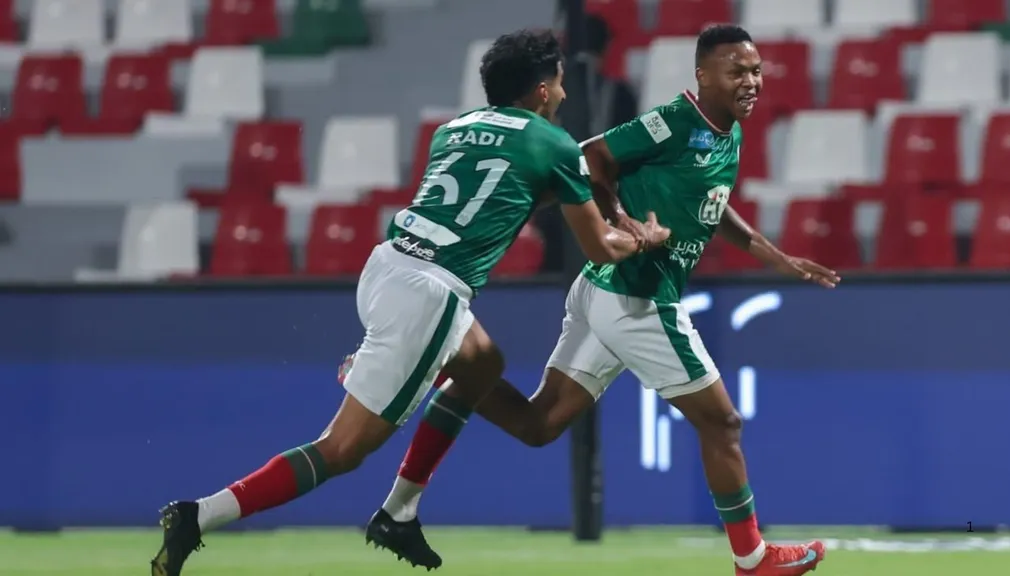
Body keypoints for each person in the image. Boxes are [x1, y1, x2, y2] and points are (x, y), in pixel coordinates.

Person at [149, 29, 669, 576]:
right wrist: (644, 237)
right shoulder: (553, 142)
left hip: (387, 266)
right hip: (431, 294)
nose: (564, 94)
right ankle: (199, 515)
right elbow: (598, 248)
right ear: (542, 90)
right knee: (341, 450)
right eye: (559, 83)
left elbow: (502, 192)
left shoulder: (453, 131)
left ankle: (399, 510)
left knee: (481, 363)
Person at [365, 24, 839, 576]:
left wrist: (771, 253)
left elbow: (711, 203)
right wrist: (624, 221)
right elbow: (590, 158)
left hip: (602, 291)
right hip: (638, 295)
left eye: (756, 71)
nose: (751, 81)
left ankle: (440, 366)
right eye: (737, 71)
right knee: (723, 424)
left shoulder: (725, 131)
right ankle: (752, 558)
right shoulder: (675, 122)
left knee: (538, 426)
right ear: (703, 75)